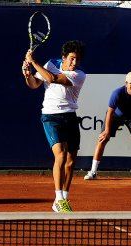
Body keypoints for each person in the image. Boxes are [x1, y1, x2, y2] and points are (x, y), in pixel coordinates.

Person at [22, 40, 86, 213]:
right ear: (63, 57)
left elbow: (52, 78)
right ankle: (58, 199)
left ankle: (64, 198)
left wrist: (33, 61)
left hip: (70, 117)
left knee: (71, 162)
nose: (74, 63)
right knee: (61, 154)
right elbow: (34, 84)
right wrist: (27, 74)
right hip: (51, 116)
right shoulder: (51, 63)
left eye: (77, 60)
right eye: (72, 59)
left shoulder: (79, 75)